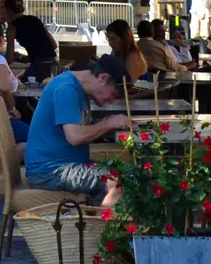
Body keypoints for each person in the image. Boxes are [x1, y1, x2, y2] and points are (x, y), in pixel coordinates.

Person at [23, 55, 132, 203]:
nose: (112, 101)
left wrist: (108, 123)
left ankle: (99, 218)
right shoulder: (66, 89)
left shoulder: (76, 87)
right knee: (117, 183)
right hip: (50, 171)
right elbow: (75, 137)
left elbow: (77, 128)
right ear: (103, 78)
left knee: (127, 173)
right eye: (114, 94)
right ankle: (103, 225)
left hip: (61, 165)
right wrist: (109, 123)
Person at [0, 0, 58, 77]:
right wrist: (29, 57)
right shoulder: (35, 19)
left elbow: (9, 59)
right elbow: (54, 45)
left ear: (8, 11)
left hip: (39, 66)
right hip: (53, 62)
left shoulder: (12, 27)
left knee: (17, 84)